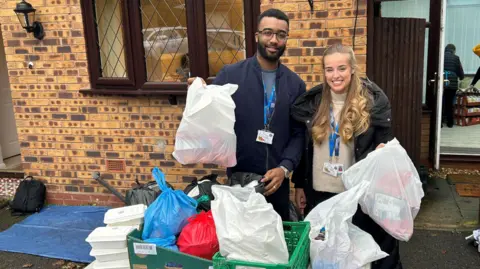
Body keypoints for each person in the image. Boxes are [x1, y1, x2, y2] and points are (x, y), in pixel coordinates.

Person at [187, 8, 306, 221]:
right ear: (257, 35)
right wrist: (201, 94)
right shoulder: (231, 75)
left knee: (274, 245)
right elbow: (213, 115)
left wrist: (285, 168)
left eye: (281, 34)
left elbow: (299, 133)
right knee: (240, 243)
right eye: (268, 32)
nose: (274, 40)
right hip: (239, 181)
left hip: (275, 184)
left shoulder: (295, 85)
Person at [290, 43, 402, 269]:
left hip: (354, 197)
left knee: (354, 256)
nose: (335, 75)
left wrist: (382, 153)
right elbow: (304, 147)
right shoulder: (315, 104)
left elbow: (385, 146)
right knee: (325, 254)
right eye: (329, 69)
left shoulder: (371, 104)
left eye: (341, 68)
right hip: (320, 195)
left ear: (352, 68)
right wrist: (299, 184)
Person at [443, 44, 465, 128]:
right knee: (449, 103)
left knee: (441, 102)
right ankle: (450, 122)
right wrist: (461, 77)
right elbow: (460, 72)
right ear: (453, 50)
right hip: (452, 84)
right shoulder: (456, 58)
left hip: (441, 82)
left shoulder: (440, 56)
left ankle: (439, 122)